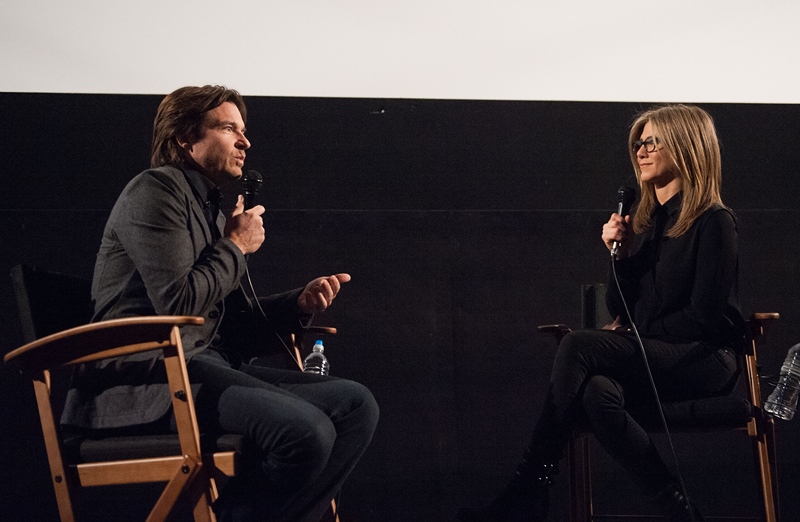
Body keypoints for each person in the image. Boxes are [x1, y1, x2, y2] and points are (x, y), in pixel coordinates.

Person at [61, 85, 379, 522]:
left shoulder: (206, 209)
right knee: (306, 433)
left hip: (199, 364)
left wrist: (298, 305)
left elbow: (224, 325)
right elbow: (179, 303)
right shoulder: (154, 191)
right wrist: (235, 246)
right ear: (184, 138)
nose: (245, 142)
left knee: (355, 406)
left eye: (243, 131)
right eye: (229, 129)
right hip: (145, 379)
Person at [458, 104, 742, 522]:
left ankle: (529, 488)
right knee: (597, 393)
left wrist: (632, 334)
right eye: (639, 143)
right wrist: (620, 256)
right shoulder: (652, 225)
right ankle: (681, 511)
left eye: (653, 142)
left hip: (704, 359)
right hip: (659, 353)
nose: (641, 151)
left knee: (579, 344)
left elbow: (702, 317)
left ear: (685, 147)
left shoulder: (715, 221)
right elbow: (622, 307)